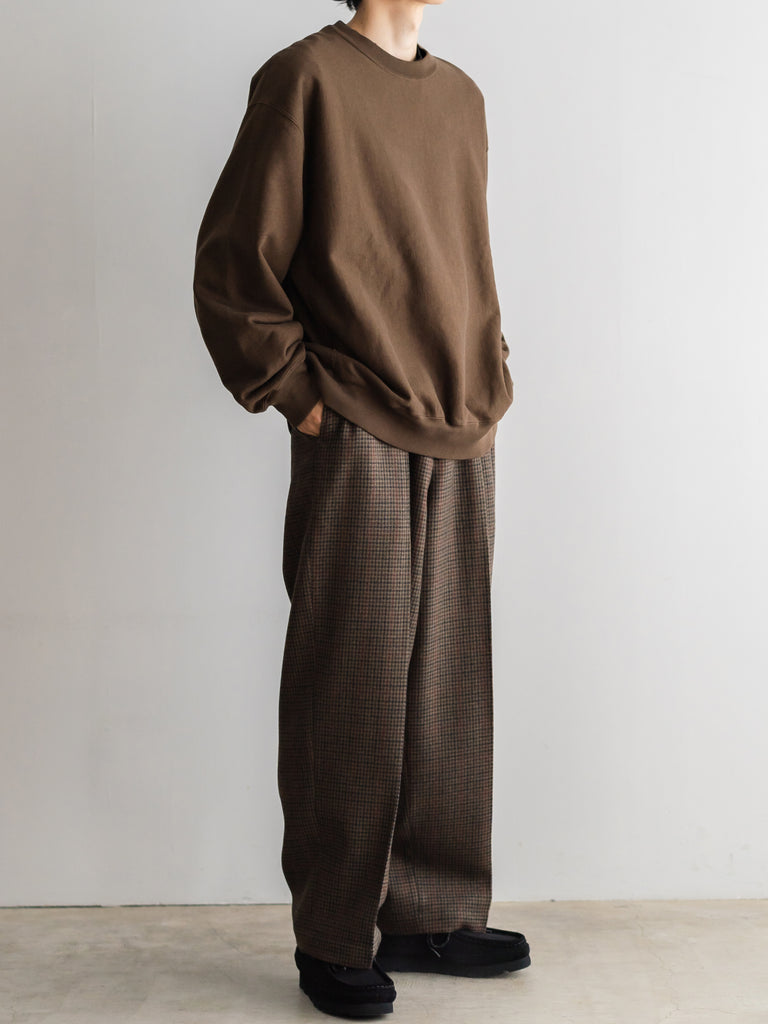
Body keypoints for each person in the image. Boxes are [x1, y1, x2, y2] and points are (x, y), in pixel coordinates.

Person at [193, 0, 531, 1017]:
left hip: (462, 421)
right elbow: (234, 259)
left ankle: (431, 913)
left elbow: (464, 256)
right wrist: (296, 394)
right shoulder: (304, 78)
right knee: (352, 677)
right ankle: (335, 934)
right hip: (354, 416)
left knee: (448, 684)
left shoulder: (462, 97)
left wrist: (493, 372)